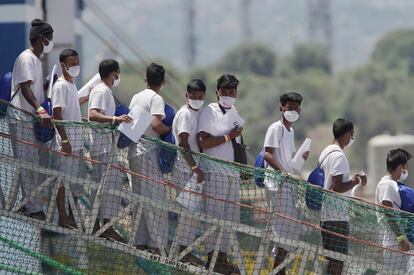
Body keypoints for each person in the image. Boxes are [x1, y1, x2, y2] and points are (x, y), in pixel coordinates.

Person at [197, 74, 242, 274]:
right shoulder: (209, 111)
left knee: (229, 217)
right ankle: (212, 257)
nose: (228, 96)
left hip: (231, 172)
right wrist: (227, 137)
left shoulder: (234, 112)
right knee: (214, 214)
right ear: (217, 92)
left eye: (232, 92)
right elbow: (203, 142)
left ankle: (222, 258)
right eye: (224, 92)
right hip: (214, 170)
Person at [10, 18, 54, 220]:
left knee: (37, 163)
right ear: (41, 39)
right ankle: (33, 208)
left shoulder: (37, 61)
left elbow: (35, 87)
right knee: (27, 162)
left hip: (32, 120)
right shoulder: (26, 58)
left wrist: (48, 86)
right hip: (22, 118)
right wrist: (39, 109)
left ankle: (30, 203)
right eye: (50, 39)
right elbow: (25, 87)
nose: (51, 43)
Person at [262, 92, 309, 274]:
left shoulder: (291, 131)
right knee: (282, 230)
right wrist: (283, 173)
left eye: (296, 108)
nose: (293, 111)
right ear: (282, 108)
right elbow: (268, 154)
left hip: (286, 184)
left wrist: (301, 158)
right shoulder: (276, 128)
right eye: (290, 108)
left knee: (290, 230)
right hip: (277, 185)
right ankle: (278, 269)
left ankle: (280, 267)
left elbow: (289, 163)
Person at [128, 63, 171, 255]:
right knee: (157, 198)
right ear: (163, 82)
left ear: (146, 79)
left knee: (139, 196)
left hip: (133, 151)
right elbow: (156, 125)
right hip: (148, 151)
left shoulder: (136, 96)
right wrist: (171, 132)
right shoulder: (156, 98)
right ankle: (157, 244)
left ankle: (140, 240)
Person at [88, 59, 132, 242]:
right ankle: (106, 226)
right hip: (102, 147)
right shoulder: (101, 90)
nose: (118, 77)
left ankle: (101, 225)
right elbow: (92, 114)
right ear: (113, 73)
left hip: (105, 145)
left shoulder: (105, 91)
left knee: (105, 186)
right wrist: (115, 119)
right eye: (118, 73)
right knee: (109, 186)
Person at [319, 118, 367, 275]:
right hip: (337, 217)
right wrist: (355, 181)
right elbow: (338, 186)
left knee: (332, 259)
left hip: (325, 216)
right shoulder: (339, 156)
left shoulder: (325, 152)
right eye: (351, 134)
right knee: (338, 260)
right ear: (346, 133)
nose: (352, 138)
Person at [50, 49, 88, 228]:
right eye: (73, 64)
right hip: (65, 144)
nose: (76, 67)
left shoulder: (72, 84)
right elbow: (57, 112)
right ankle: (62, 215)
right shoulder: (60, 85)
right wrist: (64, 141)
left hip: (78, 142)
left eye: (78, 63)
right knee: (62, 180)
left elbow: (71, 107)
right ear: (63, 65)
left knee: (77, 180)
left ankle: (73, 214)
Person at [171, 79, 206, 265]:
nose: (197, 99)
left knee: (192, 212)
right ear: (187, 96)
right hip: (186, 169)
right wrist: (195, 167)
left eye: (200, 97)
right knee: (189, 211)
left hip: (191, 171)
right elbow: (183, 142)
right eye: (193, 96)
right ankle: (183, 250)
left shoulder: (196, 114)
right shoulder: (185, 114)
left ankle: (186, 248)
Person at [375, 148, 412, 273]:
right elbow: (388, 213)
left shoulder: (393, 185)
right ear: (401, 166)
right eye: (405, 167)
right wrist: (401, 239)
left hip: (399, 243)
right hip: (393, 244)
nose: (406, 171)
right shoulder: (387, 184)